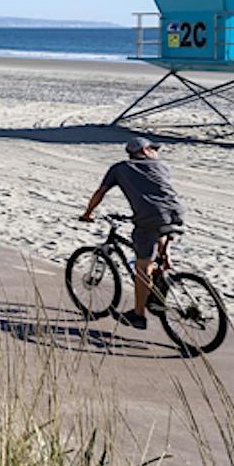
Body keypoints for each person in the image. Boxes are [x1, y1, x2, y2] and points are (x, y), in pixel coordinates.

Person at [80, 137, 187, 330]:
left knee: (142, 266)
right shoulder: (162, 165)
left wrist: (88, 213)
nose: (156, 152)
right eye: (153, 149)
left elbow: (100, 192)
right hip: (177, 212)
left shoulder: (119, 168)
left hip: (150, 217)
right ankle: (165, 263)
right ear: (145, 151)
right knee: (159, 234)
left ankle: (138, 315)